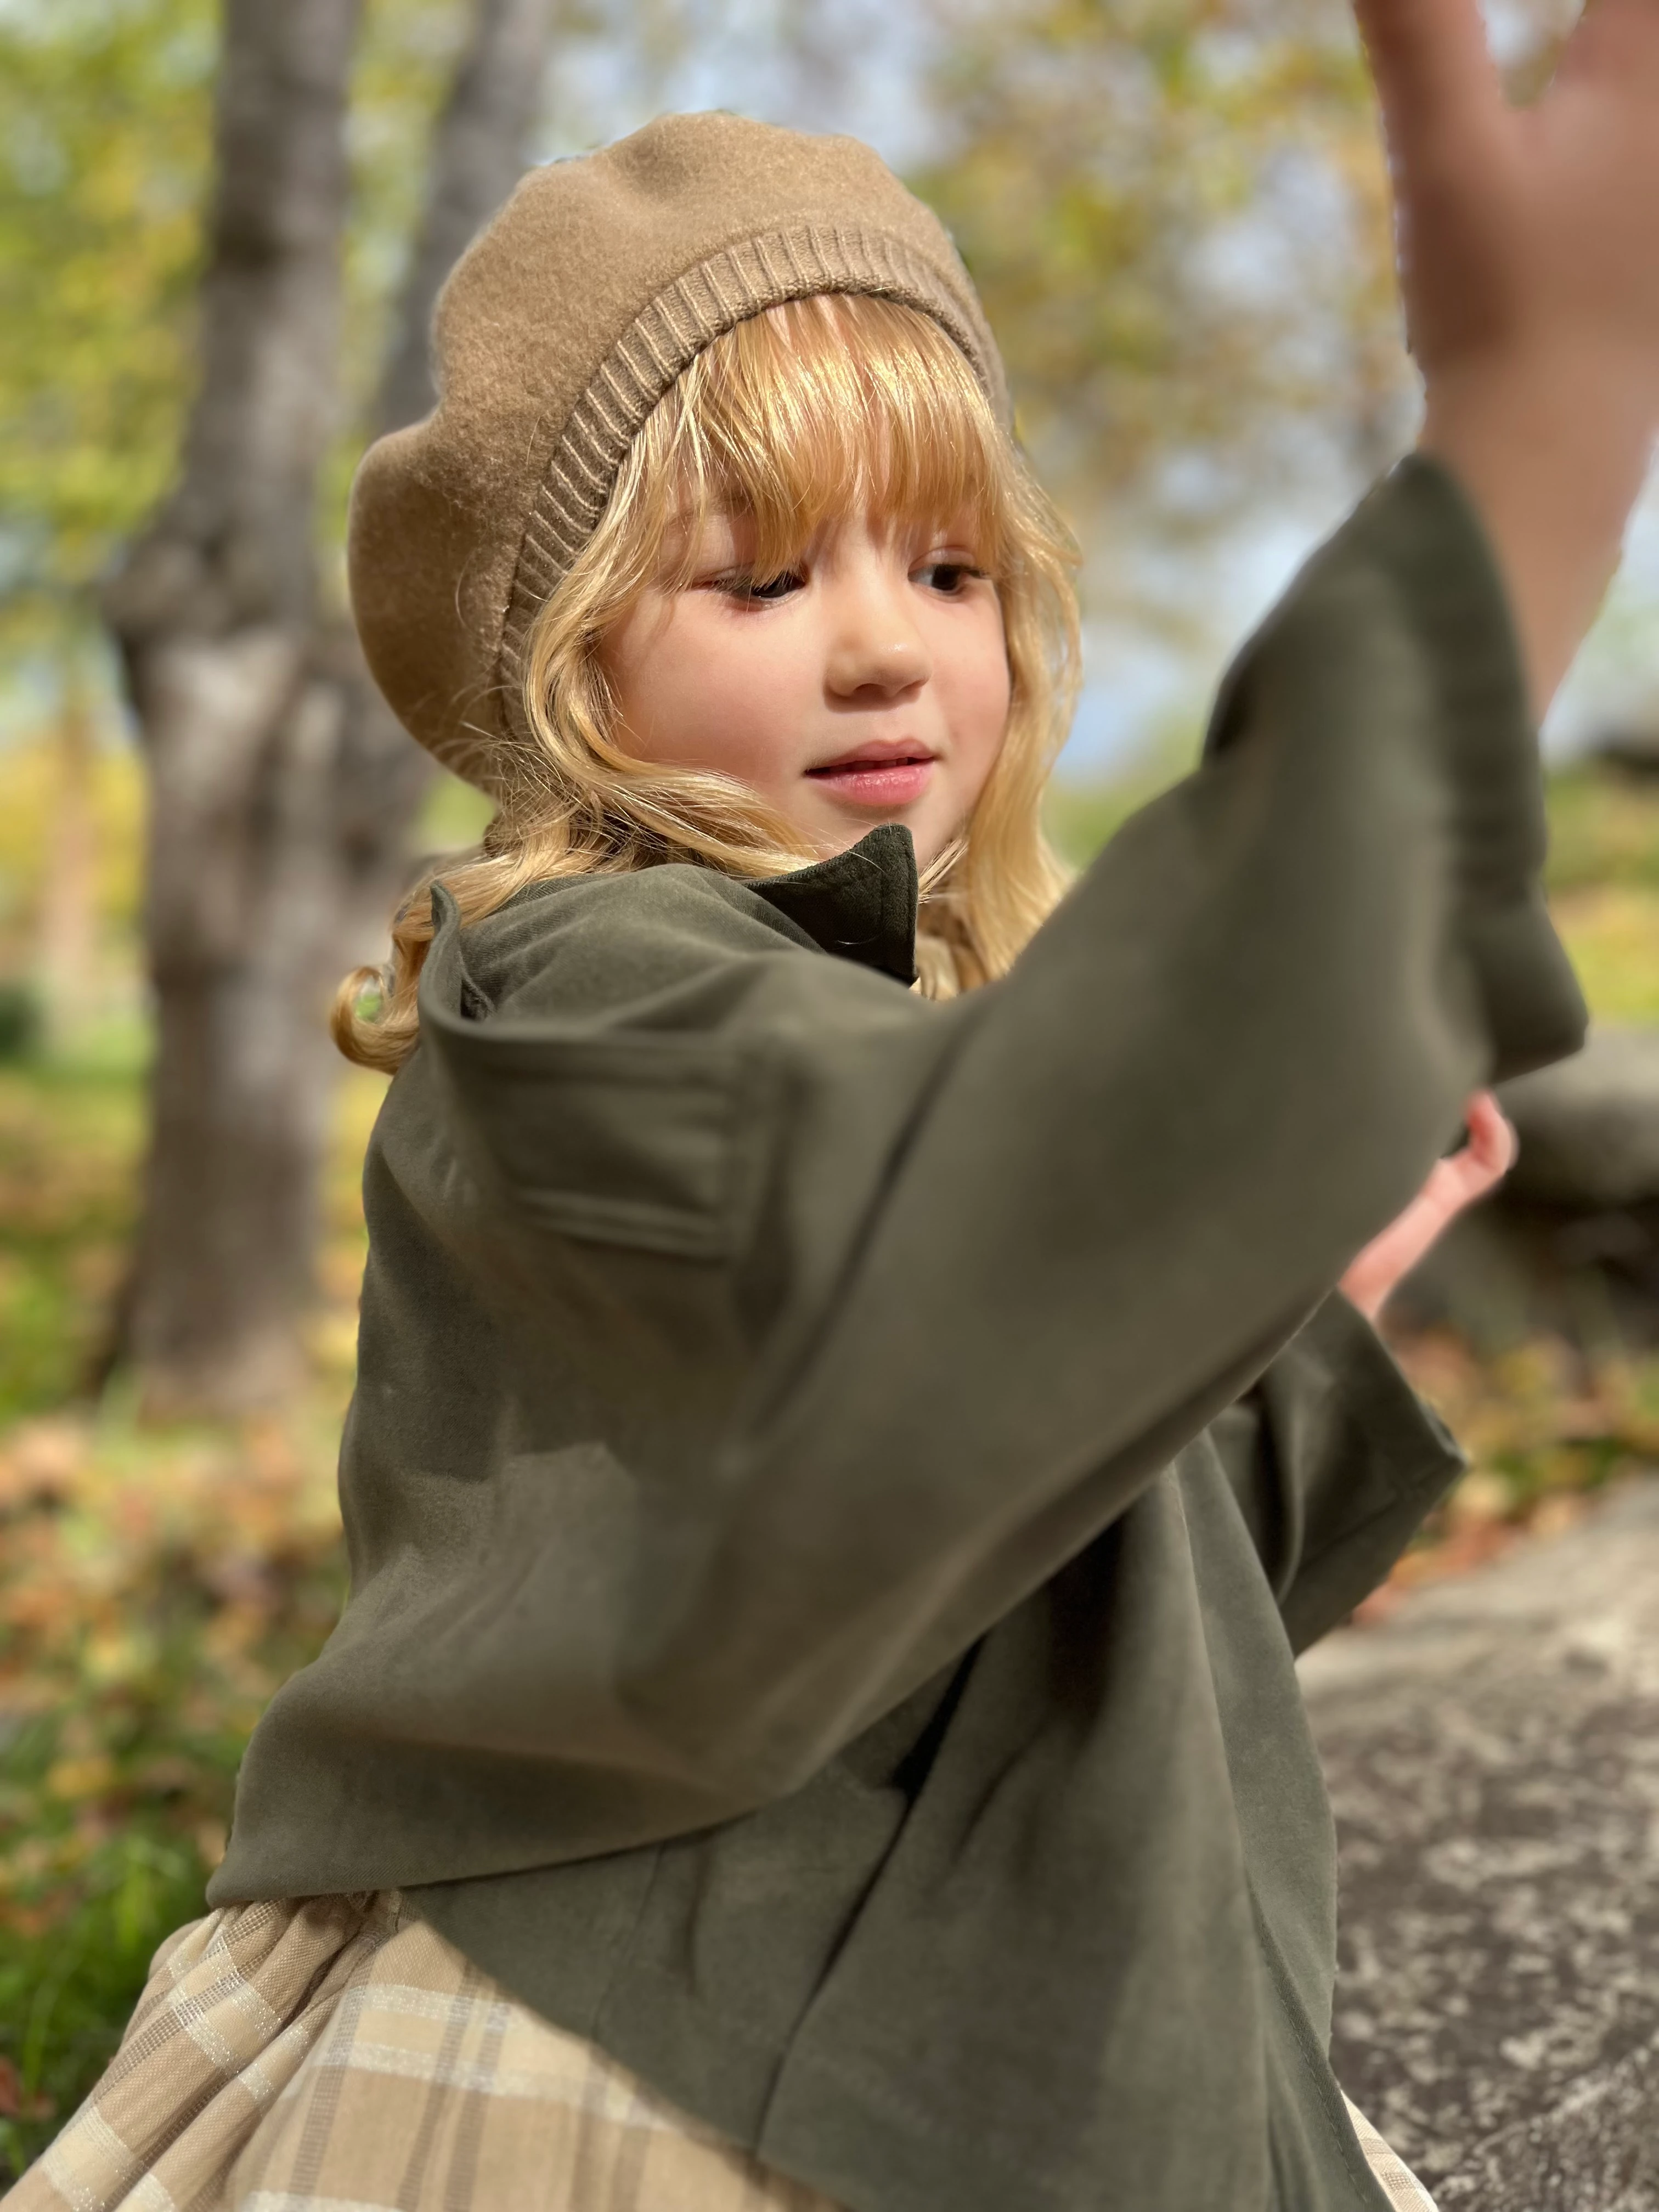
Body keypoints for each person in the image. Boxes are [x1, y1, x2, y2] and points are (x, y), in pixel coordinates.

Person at [11, 0, 1659, 2202]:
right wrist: (1531, 448)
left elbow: (1041, 1564)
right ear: (566, 664)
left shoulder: (908, 1020)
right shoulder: (592, 992)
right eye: (764, 574)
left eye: (950, 568)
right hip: (688, 2035)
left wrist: (1280, 1309)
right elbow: (936, 1242)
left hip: (998, 2006)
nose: (884, 646)